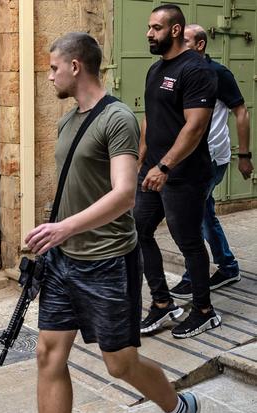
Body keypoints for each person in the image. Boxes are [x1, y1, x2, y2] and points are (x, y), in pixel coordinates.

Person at [1, 32, 200, 413]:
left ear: (76, 66)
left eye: (53, 67)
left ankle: (179, 408)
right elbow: (77, 186)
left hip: (107, 261)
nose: (49, 75)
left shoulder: (118, 119)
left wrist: (66, 227)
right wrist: (55, 231)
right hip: (64, 262)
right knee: (48, 354)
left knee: (120, 363)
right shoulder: (68, 121)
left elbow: (124, 194)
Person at [134, 4, 221, 339]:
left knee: (188, 242)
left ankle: (203, 310)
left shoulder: (197, 70)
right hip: (153, 171)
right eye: (148, 27)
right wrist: (142, 160)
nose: (148, 33)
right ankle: (162, 303)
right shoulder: (156, 70)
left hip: (183, 174)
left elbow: (195, 127)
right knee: (140, 231)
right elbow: (150, 118)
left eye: (155, 28)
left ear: (174, 30)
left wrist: (165, 165)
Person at [169, 24, 254, 299]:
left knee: (191, 217)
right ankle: (228, 266)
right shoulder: (181, 71)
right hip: (188, 158)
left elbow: (241, 112)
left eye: (186, 41)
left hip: (212, 158)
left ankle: (196, 275)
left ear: (201, 45)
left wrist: (244, 155)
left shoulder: (217, 73)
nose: (179, 45)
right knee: (203, 215)